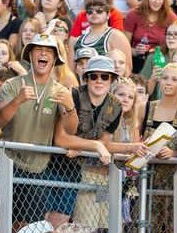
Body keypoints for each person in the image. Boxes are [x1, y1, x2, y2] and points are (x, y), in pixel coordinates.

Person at [0, 34, 78, 229]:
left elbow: (70, 130)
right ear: (30, 54)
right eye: (38, 49)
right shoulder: (13, 85)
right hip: (6, 163)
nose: (43, 53)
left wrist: (70, 106)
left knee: (31, 226)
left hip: (38, 169)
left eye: (48, 50)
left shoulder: (60, 90)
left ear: (55, 59)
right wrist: (18, 101)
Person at [57, 56, 149, 229]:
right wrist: (94, 145)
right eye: (94, 76)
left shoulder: (115, 106)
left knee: (107, 226)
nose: (99, 81)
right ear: (86, 78)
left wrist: (132, 147)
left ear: (112, 80)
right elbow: (62, 139)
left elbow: (104, 143)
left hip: (97, 172)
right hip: (63, 167)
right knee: (81, 226)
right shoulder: (74, 96)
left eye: (105, 77)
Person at [140, 62, 177, 232]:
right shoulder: (148, 106)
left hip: (174, 180)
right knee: (144, 222)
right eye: (165, 78)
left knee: (173, 224)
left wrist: (173, 152)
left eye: (174, 79)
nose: (168, 82)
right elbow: (136, 137)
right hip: (146, 177)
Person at [124, 0, 177, 74]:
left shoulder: (171, 17)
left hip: (160, 61)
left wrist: (159, 50)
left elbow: (175, 45)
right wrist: (135, 51)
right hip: (136, 60)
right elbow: (124, 45)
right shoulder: (133, 15)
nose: (157, 2)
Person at [73, 0, 132, 67]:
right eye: (90, 11)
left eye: (99, 11)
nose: (94, 13)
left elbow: (127, 68)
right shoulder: (78, 40)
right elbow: (71, 69)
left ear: (108, 15)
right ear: (86, 15)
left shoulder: (116, 36)